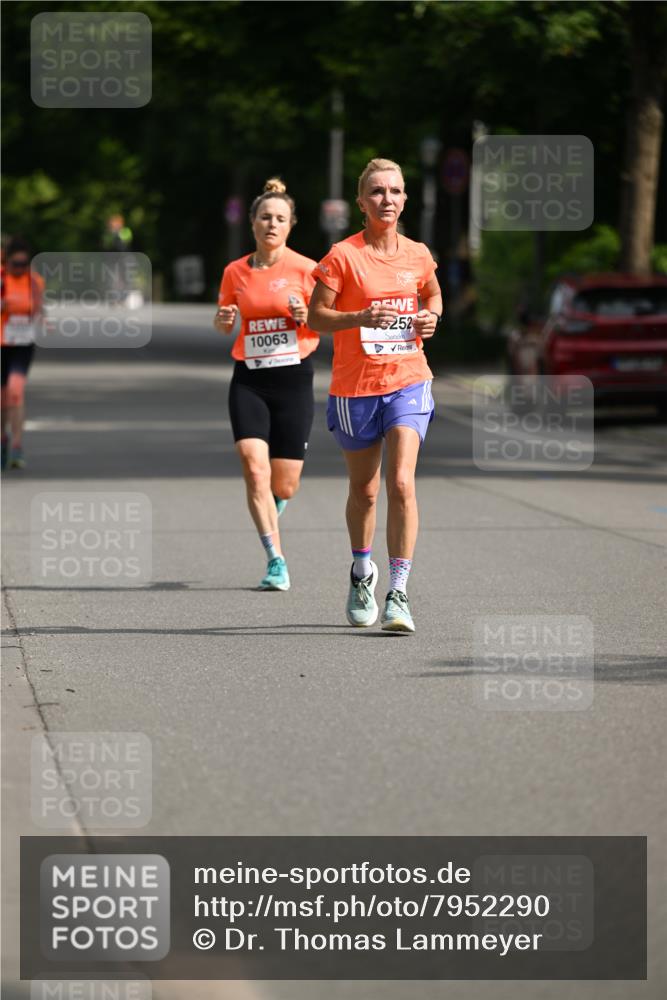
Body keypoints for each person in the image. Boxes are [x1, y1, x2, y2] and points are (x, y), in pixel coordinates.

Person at [308, 158, 443, 633]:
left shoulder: (418, 254)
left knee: (401, 483)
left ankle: (399, 592)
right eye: (378, 192)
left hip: (408, 378)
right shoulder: (342, 256)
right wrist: (359, 318)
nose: (388, 199)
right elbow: (315, 317)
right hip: (355, 388)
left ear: (405, 199)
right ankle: (363, 572)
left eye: (396, 191)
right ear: (362, 203)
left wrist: (431, 318)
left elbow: (432, 295)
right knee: (365, 491)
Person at [214, 178, 319, 591]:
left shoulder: (307, 269)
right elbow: (224, 318)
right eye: (265, 217)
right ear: (253, 223)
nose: (271, 224)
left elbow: (327, 322)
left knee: (284, 484)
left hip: (293, 379)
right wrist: (224, 321)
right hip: (250, 379)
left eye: (280, 219)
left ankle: (272, 511)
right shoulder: (235, 271)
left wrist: (306, 313)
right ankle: (275, 559)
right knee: (253, 467)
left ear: (291, 225)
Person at [1, 237, 44, 470]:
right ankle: (2, 440)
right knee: (2, 399)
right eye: (15, 264)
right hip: (1, 344)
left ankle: (17, 446)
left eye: (24, 264)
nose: (20, 268)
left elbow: (38, 306)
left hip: (22, 344)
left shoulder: (33, 281)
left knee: (15, 392)